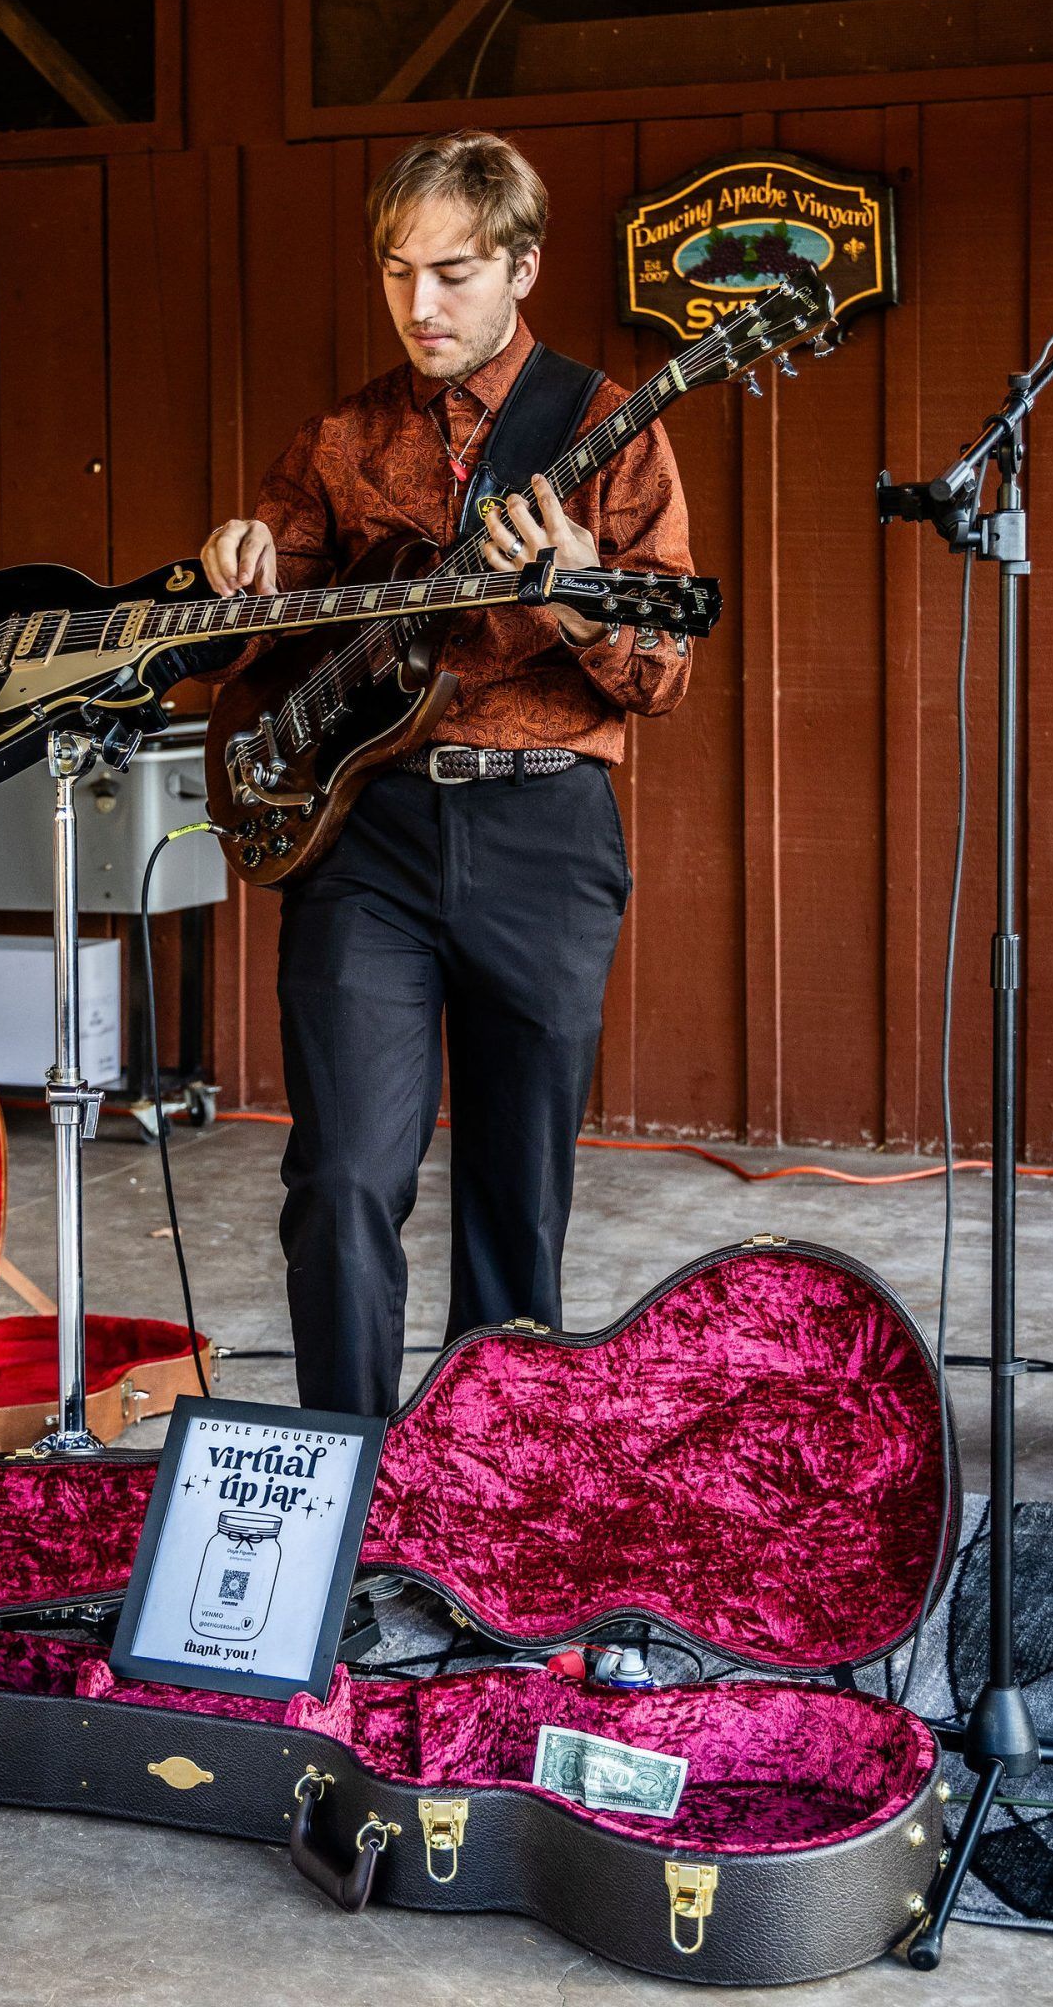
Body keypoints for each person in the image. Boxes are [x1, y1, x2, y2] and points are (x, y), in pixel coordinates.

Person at [201, 131, 693, 1416]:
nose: (422, 304)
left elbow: (660, 674)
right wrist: (241, 558)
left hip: (544, 832)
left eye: (457, 272)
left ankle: (489, 1483)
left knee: (515, 1198)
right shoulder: (342, 438)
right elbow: (261, 642)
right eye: (398, 271)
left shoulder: (605, 427)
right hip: (366, 837)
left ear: (522, 267)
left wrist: (580, 593)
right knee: (344, 1178)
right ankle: (342, 1487)